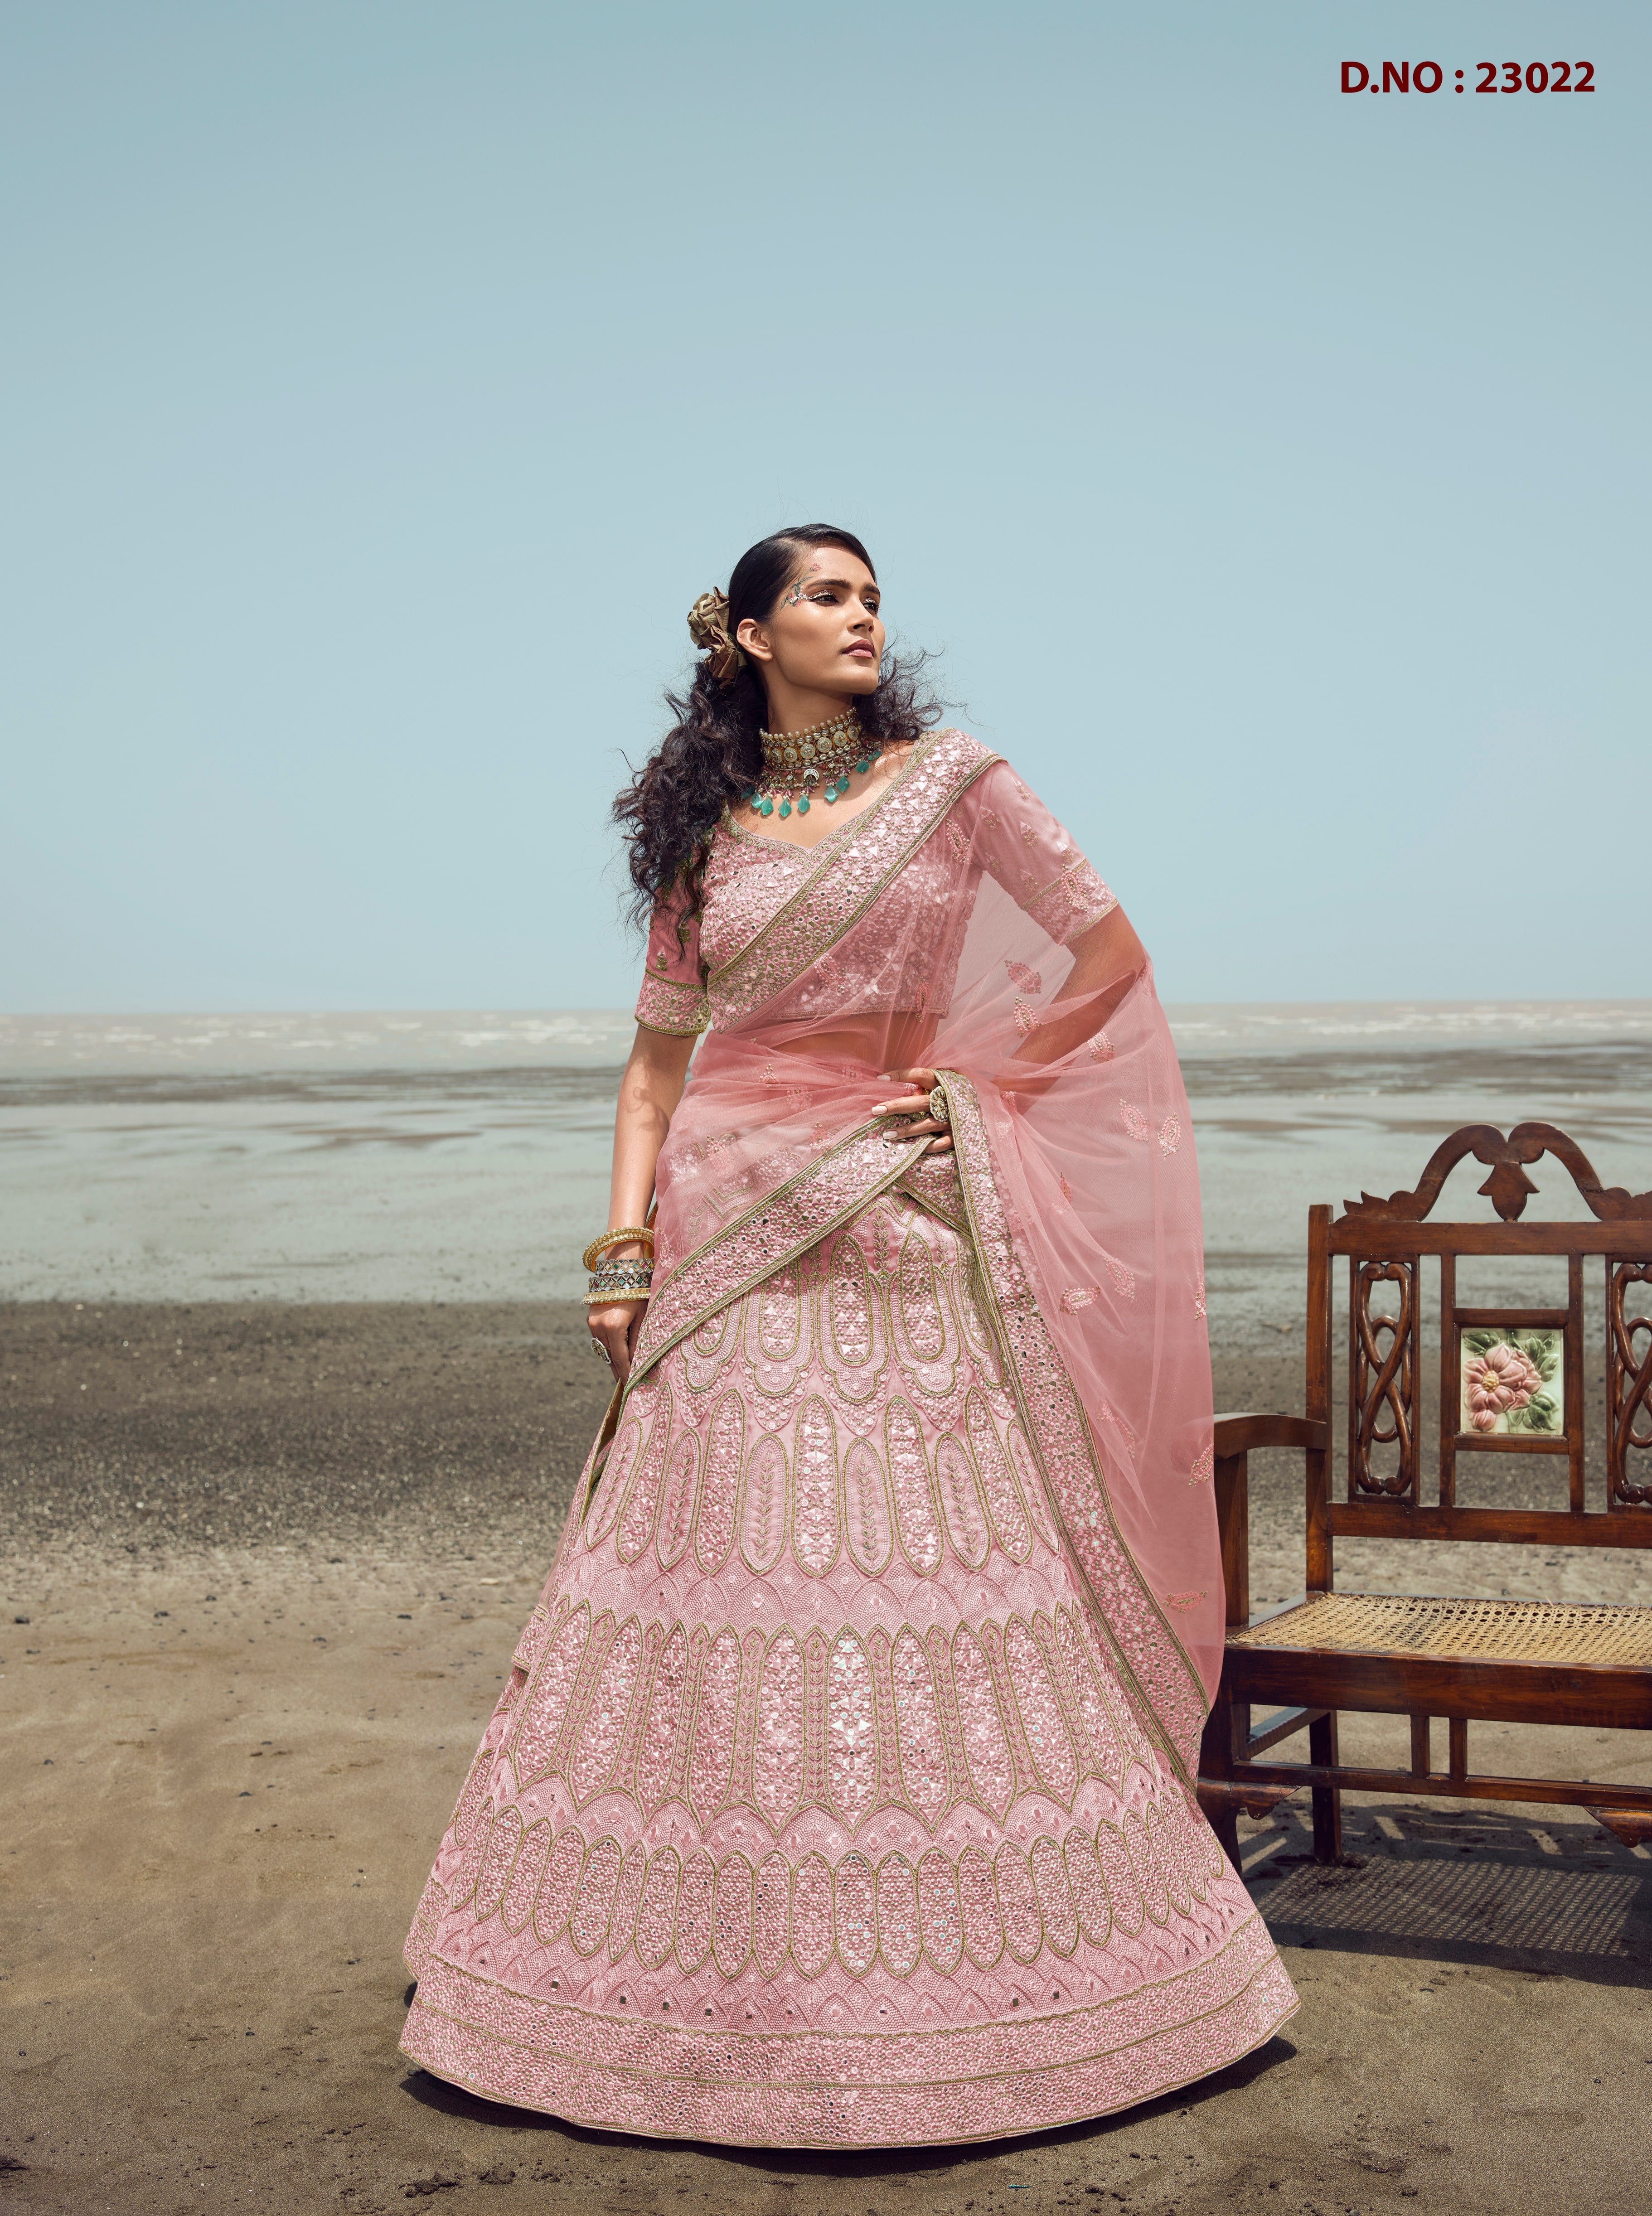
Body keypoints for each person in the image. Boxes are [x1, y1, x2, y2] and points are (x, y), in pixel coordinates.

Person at [401, 524, 1295, 2146]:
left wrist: (976, 1086)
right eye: (827, 596)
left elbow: (1108, 959)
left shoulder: (957, 786)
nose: (863, 617)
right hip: (722, 1241)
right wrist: (618, 1254)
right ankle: (680, 1989)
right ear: (750, 635)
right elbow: (656, 1073)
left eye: (874, 596)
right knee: (714, 1590)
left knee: (930, 1580)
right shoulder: (705, 840)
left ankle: (1003, 1988)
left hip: (890, 1219)